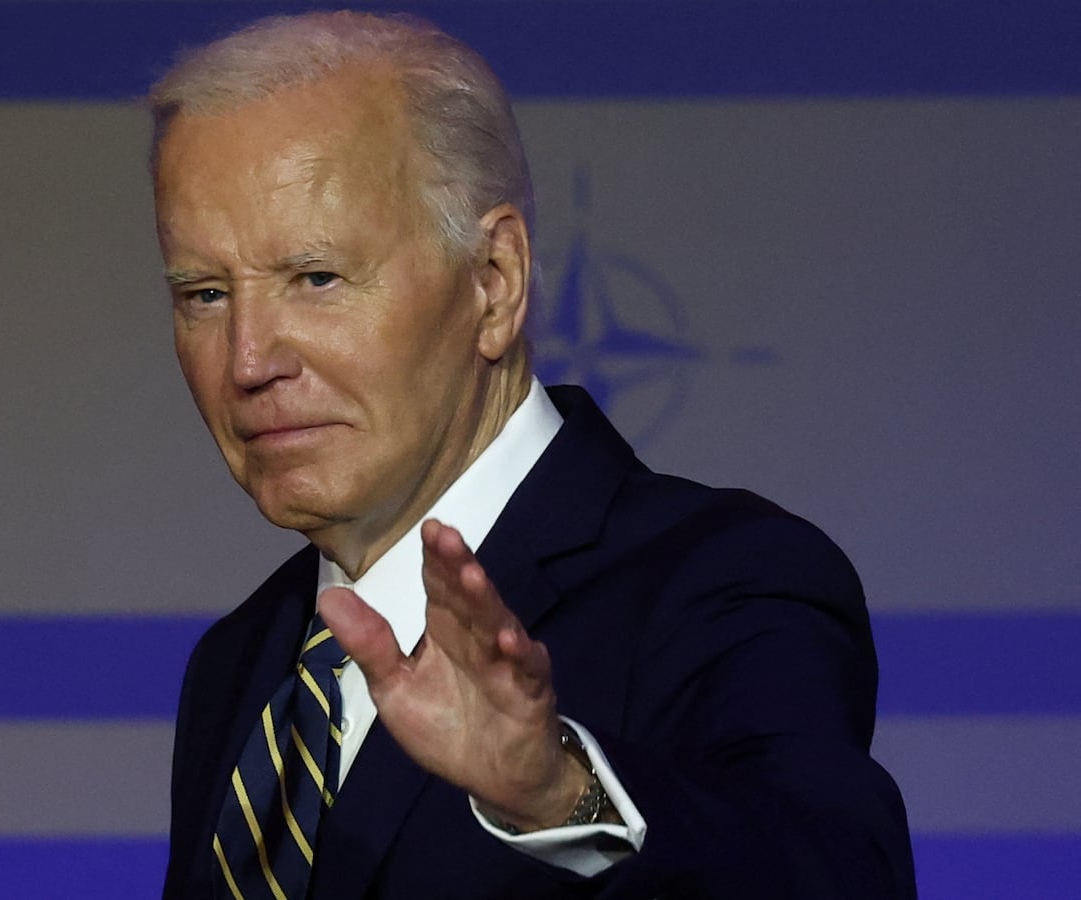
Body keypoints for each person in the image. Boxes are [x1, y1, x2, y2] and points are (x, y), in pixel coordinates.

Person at [150, 11, 914, 899]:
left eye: (316, 279)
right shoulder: (243, 660)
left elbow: (838, 875)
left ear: (494, 283)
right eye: (204, 294)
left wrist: (558, 792)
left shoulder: (724, 577)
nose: (248, 361)